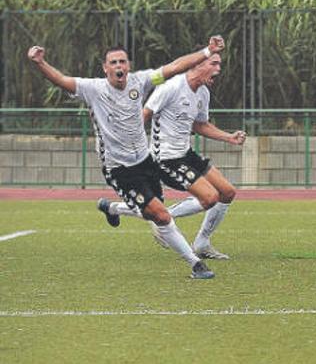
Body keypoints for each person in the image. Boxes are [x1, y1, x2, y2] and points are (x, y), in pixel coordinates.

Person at [27, 37, 225, 279]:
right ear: (105, 68)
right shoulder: (93, 89)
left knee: (154, 212)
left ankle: (113, 208)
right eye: (113, 62)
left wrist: (207, 51)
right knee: (161, 215)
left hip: (145, 161)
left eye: (122, 61)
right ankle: (195, 264)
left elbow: (175, 66)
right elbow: (61, 80)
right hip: (119, 168)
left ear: (128, 66)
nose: (119, 66)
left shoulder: (140, 81)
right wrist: (40, 63)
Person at [104, 49, 246, 260]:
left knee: (227, 192)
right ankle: (162, 218)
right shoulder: (171, 87)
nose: (218, 69)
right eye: (213, 63)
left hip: (185, 153)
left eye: (219, 64)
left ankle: (202, 242)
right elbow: (144, 114)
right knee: (209, 198)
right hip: (165, 158)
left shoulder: (203, 92)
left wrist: (229, 137)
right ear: (197, 64)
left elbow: (200, 125)